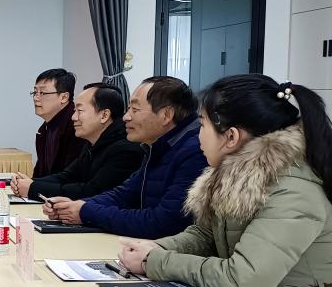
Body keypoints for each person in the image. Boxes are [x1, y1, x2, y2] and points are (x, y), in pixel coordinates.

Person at [119, 75, 332, 287]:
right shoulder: (237, 175)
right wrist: (158, 248)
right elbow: (205, 235)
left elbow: (244, 278)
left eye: (202, 125)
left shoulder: (293, 191)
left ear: (231, 137)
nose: (197, 136)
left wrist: (155, 262)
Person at [44, 76, 208, 239]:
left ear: (166, 115)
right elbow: (125, 194)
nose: (126, 117)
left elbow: (163, 223)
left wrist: (86, 211)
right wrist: (76, 206)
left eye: (134, 110)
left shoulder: (195, 151)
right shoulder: (157, 146)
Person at [13, 83, 142, 200]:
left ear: (104, 115)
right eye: (74, 110)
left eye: (79, 111)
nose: (73, 117)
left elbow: (92, 192)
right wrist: (31, 182)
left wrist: (33, 188)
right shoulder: (92, 142)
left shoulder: (126, 149)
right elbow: (68, 176)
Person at [30, 68, 85, 177]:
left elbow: (70, 176)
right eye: (35, 92)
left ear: (64, 97)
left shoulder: (77, 126)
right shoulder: (45, 128)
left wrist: (33, 184)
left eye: (42, 93)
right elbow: (40, 173)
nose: (36, 98)